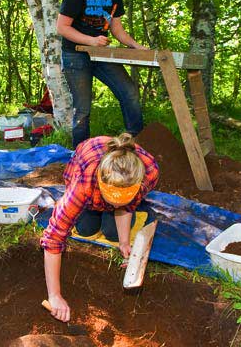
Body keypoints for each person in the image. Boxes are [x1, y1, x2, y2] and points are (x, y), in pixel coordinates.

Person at [40, 133, 159, 322]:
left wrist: (125, 243)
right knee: (86, 228)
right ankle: (97, 208)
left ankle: (115, 217)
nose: (116, 203)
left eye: (123, 198)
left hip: (120, 176)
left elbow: (127, 205)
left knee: (113, 233)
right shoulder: (83, 184)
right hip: (87, 160)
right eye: (112, 198)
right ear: (101, 183)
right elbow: (54, 238)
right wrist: (54, 295)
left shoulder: (149, 173)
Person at [58, 0, 148, 148]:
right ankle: (80, 154)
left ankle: (136, 146)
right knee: (82, 109)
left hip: (101, 53)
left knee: (129, 92)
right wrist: (90, 41)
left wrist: (136, 46)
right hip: (75, 54)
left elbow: (116, 28)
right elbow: (62, 27)